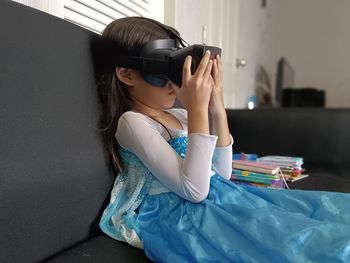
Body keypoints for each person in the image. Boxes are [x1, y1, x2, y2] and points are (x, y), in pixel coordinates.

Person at [97, 17, 350, 263]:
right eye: (161, 71)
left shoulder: (180, 115)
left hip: (221, 196)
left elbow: (221, 173)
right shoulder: (132, 123)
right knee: (287, 243)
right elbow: (195, 191)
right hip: (182, 215)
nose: (173, 83)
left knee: (309, 219)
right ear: (127, 75)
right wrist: (197, 110)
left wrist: (216, 106)